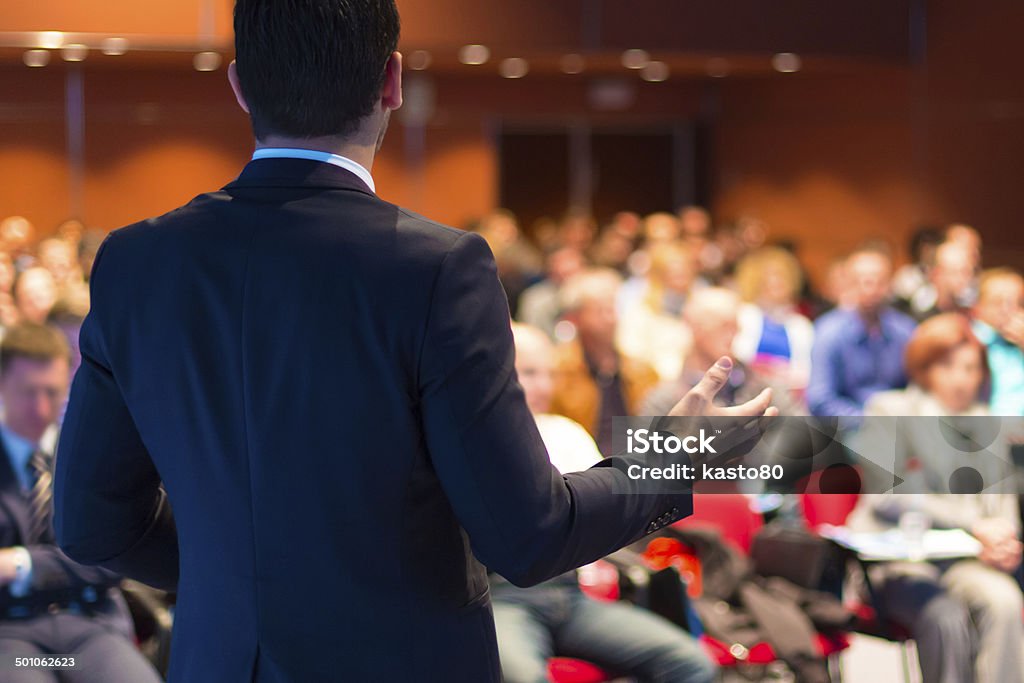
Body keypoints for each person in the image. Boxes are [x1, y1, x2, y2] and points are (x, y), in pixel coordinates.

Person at [51, 2, 776, 681]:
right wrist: (682, 449)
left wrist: (239, 568)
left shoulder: (137, 262)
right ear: (393, 80)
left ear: (239, 87)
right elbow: (528, 534)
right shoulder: (435, 268)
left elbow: (89, 525)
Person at [492, 324, 716, 683]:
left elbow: (613, 508)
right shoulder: (479, 445)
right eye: (530, 373)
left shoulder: (565, 431)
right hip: (505, 598)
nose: (545, 386)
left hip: (570, 595)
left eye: (550, 374)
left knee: (691, 662)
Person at [847, 314, 1023, 683]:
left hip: (966, 558)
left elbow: (1003, 502)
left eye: (971, 368)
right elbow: (887, 496)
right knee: (944, 615)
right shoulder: (889, 410)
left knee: (1005, 600)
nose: (961, 378)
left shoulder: (987, 421)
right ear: (924, 367)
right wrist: (974, 525)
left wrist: (1005, 540)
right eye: (948, 366)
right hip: (899, 560)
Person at [0, 323, 161, 683]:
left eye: (53, 393)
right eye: (28, 392)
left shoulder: (88, 454)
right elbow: (91, 555)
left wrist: (20, 563)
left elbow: (112, 560)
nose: (41, 408)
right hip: (10, 635)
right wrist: (65, 563)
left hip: (91, 626)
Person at [551, 268, 661, 455]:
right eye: (600, 311)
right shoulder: (557, 371)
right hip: (583, 470)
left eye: (613, 309)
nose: (611, 318)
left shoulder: (643, 370)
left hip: (635, 468)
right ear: (575, 318)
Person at [807, 246, 916, 417]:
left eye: (879, 281)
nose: (871, 289)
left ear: (890, 284)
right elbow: (820, 400)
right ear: (849, 284)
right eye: (863, 281)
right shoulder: (828, 331)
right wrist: (868, 421)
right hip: (849, 426)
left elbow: (918, 386)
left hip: (898, 420)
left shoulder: (906, 329)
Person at [731, 247, 814, 395]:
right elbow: (737, 358)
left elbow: (806, 371)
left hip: (789, 395)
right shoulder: (743, 315)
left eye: (782, 276)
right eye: (769, 276)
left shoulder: (801, 325)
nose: (776, 282)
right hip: (747, 392)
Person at [971, 267, 1024, 416]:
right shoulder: (969, 342)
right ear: (978, 307)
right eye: (998, 302)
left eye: (1019, 303)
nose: (1010, 310)